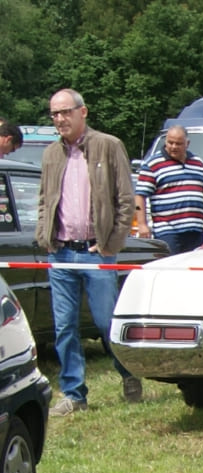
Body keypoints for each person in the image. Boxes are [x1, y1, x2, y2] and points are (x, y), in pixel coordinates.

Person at [36, 88, 140, 414]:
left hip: (98, 252)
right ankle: (74, 394)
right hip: (61, 253)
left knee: (106, 322)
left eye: (65, 112)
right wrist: (45, 235)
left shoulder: (108, 146)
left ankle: (128, 373)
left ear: (83, 112)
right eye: (54, 114)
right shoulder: (51, 154)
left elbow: (126, 200)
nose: (59, 119)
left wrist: (111, 243)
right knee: (64, 327)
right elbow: (44, 200)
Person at [134, 125, 203, 256]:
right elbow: (140, 196)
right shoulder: (152, 164)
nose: (173, 147)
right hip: (168, 230)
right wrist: (142, 225)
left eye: (178, 143)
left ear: (187, 143)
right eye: (170, 142)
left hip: (195, 229)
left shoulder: (198, 163)